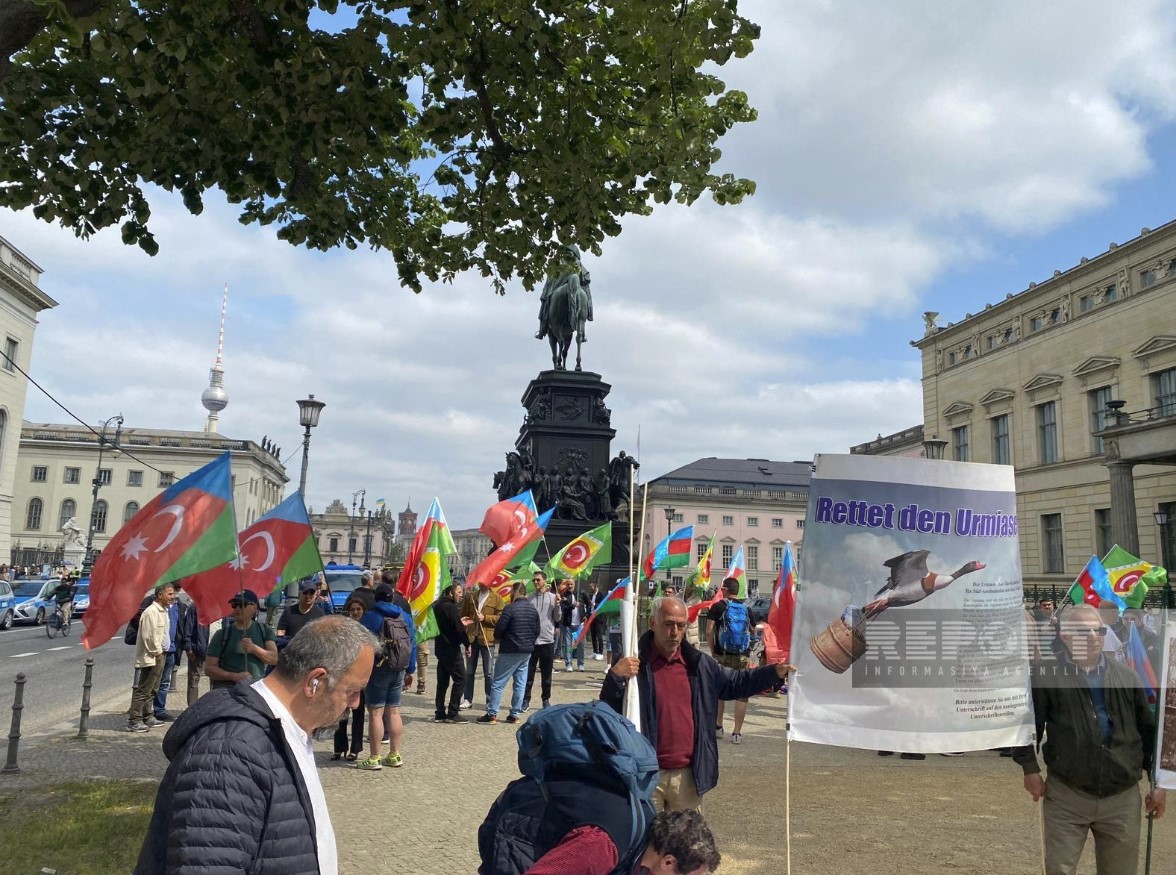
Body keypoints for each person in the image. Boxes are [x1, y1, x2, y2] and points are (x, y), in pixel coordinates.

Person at [133, 616, 376, 875]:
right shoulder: (230, 753)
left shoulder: (285, 730)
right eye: (352, 691)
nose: (355, 704)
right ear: (314, 682)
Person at [1013, 603, 1166, 874]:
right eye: (1084, 632)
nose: (1095, 637)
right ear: (1065, 636)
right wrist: (1029, 768)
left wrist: (1158, 782)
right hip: (1067, 794)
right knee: (1059, 870)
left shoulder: (1127, 676)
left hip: (1121, 797)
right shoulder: (1045, 675)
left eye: (1100, 631)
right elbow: (1026, 725)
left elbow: (1148, 732)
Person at [601, 596, 793, 811]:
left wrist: (773, 672)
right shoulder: (633, 662)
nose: (674, 632)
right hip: (645, 775)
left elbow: (736, 683)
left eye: (681, 625)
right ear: (653, 623)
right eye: (668, 624)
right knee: (645, 834)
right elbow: (606, 712)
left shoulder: (699, 664)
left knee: (687, 834)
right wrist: (615, 678)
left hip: (688, 777)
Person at [355, 583, 415, 770]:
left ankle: (374, 757)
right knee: (394, 712)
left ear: (376, 598)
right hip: (399, 668)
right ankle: (394, 754)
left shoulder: (370, 617)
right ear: (392, 597)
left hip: (378, 669)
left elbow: (360, 645)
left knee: (375, 713)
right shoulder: (404, 616)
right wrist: (410, 669)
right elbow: (412, 643)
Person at [479, 582, 539, 724]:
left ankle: (492, 714)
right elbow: (537, 630)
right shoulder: (533, 609)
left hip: (510, 649)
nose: (510, 594)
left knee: (498, 682)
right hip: (526, 651)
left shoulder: (510, 608)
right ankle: (515, 714)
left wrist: (498, 638)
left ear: (515, 592)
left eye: (511, 591)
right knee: (520, 683)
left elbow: (499, 629)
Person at [708, 577, 753, 743]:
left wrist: (713, 651)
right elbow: (753, 631)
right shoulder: (746, 608)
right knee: (742, 693)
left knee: (719, 690)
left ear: (726, 590)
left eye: (722, 588)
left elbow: (709, 630)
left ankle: (718, 726)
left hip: (722, 654)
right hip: (742, 655)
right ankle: (737, 733)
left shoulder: (718, 607)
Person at [127, 583, 176, 733]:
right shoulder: (151, 612)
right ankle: (134, 720)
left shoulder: (163, 611)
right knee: (144, 689)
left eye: (173, 594)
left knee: (153, 688)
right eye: (169, 594)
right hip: (153, 656)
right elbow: (149, 636)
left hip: (161, 654)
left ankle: (148, 716)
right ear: (160, 595)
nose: (172, 597)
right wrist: (158, 653)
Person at [205, 590, 279, 690]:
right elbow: (209, 669)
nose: (237, 608)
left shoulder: (264, 630)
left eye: (242, 604)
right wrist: (234, 676)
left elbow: (273, 659)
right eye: (234, 604)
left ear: (254, 607)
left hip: (254, 689)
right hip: (228, 690)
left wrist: (254, 649)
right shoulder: (222, 634)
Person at [460, 578, 505, 710]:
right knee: (469, 671)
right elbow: (463, 614)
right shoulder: (471, 596)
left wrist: (485, 618)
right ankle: (467, 699)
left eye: (484, 581)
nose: (481, 584)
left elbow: (500, 618)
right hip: (472, 637)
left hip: (487, 639)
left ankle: (489, 700)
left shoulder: (497, 598)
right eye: (480, 582)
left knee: (488, 672)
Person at [332, 596, 369, 760]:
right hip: (343, 675)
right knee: (340, 712)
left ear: (363, 611)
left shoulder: (367, 629)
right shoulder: (343, 629)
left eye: (358, 609)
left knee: (358, 714)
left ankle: (355, 749)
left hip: (360, 676)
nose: (355, 612)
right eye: (352, 609)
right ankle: (339, 748)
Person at [433, 582, 472, 723]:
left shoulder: (437, 605)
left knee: (442, 681)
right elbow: (458, 629)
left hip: (440, 647)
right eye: (459, 592)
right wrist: (467, 644)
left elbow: (449, 624)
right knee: (461, 679)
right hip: (451, 648)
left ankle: (439, 712)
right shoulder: (450, 607)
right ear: (451, 593)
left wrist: (459, 622)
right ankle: (453, 712)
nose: (461, 595)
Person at [523, 571, 557, 711]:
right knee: (528, 673)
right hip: (532, 640)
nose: (535, 582)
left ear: (545, 581)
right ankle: (525, 700)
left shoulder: (553, 598)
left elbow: (558, 618)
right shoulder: (529, 598)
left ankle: (545, 699)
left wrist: (558, 606)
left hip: (547, 640)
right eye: (534, 580)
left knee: (546, 673)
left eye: (538, 580)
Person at [152, 581, 183, 722]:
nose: (174, 594)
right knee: (152, 682)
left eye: (176, 590)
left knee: (164, 683)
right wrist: (157, 650)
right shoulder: (156, 608)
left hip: (171, 649)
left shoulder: (178, 607)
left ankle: (159, 710)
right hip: (157, 651)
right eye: (171, 592)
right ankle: (145, 713)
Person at [176, 587, 209, 707]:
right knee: (194, 680)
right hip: (198, 649)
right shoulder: (194, 608)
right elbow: (188, 628)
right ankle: (192, 707)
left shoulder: (220, 608)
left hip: (215, 651)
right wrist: (188, 647)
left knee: (215, 680)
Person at [588, 581, 607, 660]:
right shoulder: (590, 595)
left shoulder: (601, 594)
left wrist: (594, 604)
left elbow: (603, 604)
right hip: (592, 616)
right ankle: (595, 651)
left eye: (591, 587)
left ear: (595, 587)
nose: (590, 589)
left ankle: (600, 652)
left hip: (598, 617)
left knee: (599, 635)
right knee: (593, 635)